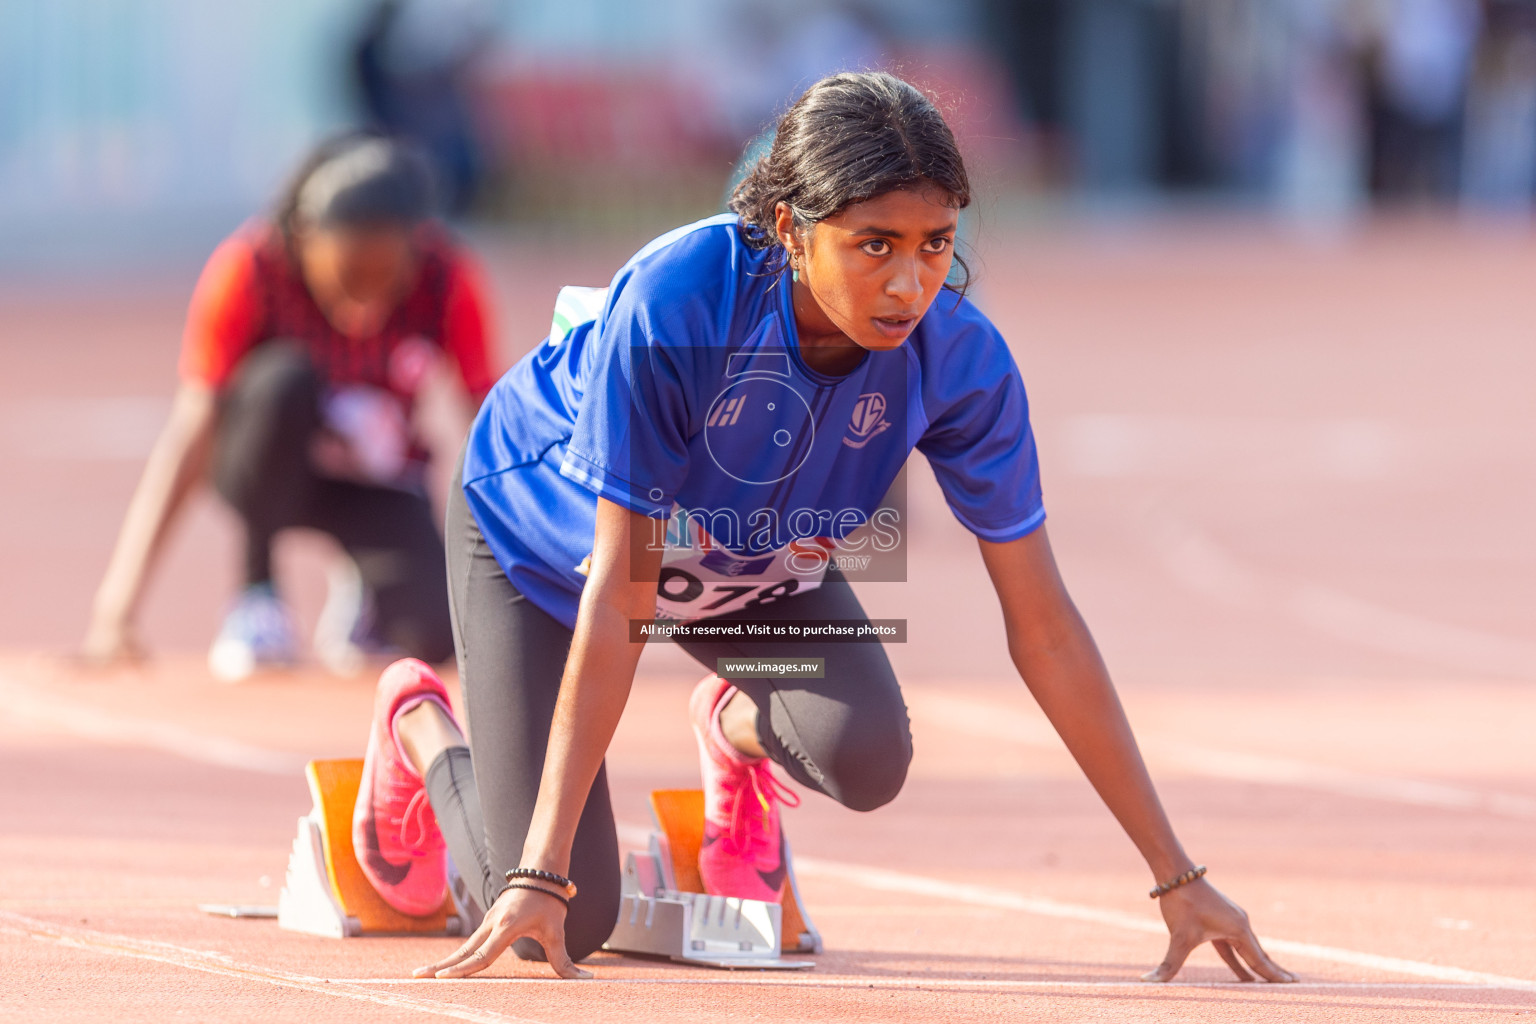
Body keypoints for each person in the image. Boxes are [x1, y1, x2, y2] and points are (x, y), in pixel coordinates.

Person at [350, 72, 1297, 984]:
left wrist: (1177, 874)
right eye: (873, 243)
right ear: (788, 231)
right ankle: (422, 729)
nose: (909, 282)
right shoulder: (680, 304)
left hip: (747, 564)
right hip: (550, 555)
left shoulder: (960, 361)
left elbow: (1043, 624)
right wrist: (539, 870)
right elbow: (621, 589)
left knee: (869, 756)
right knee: (563, 917)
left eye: (936, 243)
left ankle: (733, 732)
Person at [82, 133, 497, 681]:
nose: (366, 305)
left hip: (375, 477)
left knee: (435, 635)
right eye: (350, 277)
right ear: (306, 239)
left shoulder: (446, 279)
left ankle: (368, 599)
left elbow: (492, 425)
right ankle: (257, 596)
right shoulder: (249, 270)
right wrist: (118, 605)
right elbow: (192, 427)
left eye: (385, 279)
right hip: (266, 462)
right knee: (285, 381)